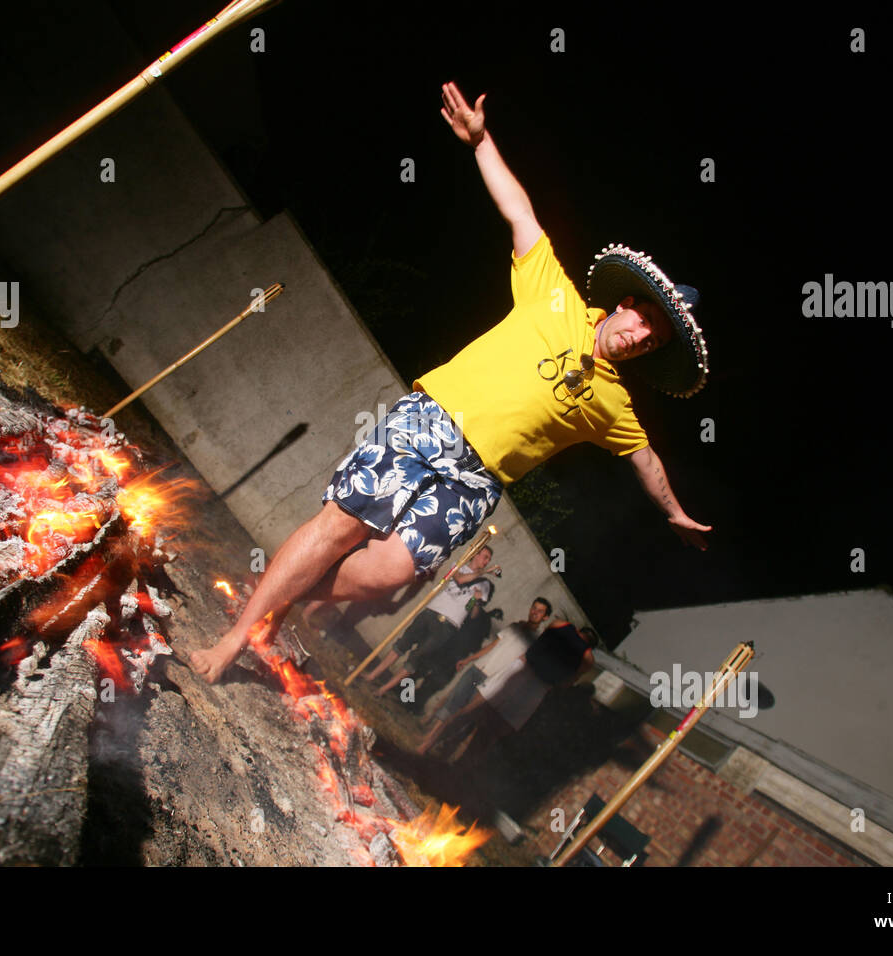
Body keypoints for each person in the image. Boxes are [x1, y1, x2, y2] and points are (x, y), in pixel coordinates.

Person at [189, 81, 711, 684]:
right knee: (341, 526)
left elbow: (645, 461)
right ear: (625, 304)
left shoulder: (613, 403)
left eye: (655, 339)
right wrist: (482, 140)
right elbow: (521, 212)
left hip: (476, 479)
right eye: (645, 319)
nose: (643, 335)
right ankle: (234, 638)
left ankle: (287, 601)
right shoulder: (554, 296)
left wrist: (674, 513)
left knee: (388, 572)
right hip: (432, 421)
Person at [419, 616, 598, 762]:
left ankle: (425, 748)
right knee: (488, 734)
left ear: (579, 630)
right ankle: (451, 766)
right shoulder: (587, 658)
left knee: (469, 712)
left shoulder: (561, 625)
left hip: (522, 670)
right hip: (536, 686)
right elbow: (566, 683)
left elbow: (541, 641)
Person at [360, 546, 498, 696]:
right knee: (403, 643)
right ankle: (372, 675)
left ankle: (382, 690)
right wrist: (484, 572)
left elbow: (471, 613)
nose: (487, 561)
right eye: (485, 557)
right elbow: (459, 579)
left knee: (416, 657)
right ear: (476, 555)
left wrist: (475, 601)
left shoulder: (484, 585)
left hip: (449, 625)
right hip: (432, 612)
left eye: (488, 559)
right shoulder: (460, 565)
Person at [418, 596, 551, 747]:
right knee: (454, 701)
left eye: (540, 611)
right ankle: (430, 736)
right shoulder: (514, 627)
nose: (535, 612)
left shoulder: (535, 643)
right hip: (479, 668)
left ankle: (437, 741)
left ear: (545, 617)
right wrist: (470, 659)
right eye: (534, 608)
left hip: (491, 681)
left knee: (466, 712)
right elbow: (493, 645)